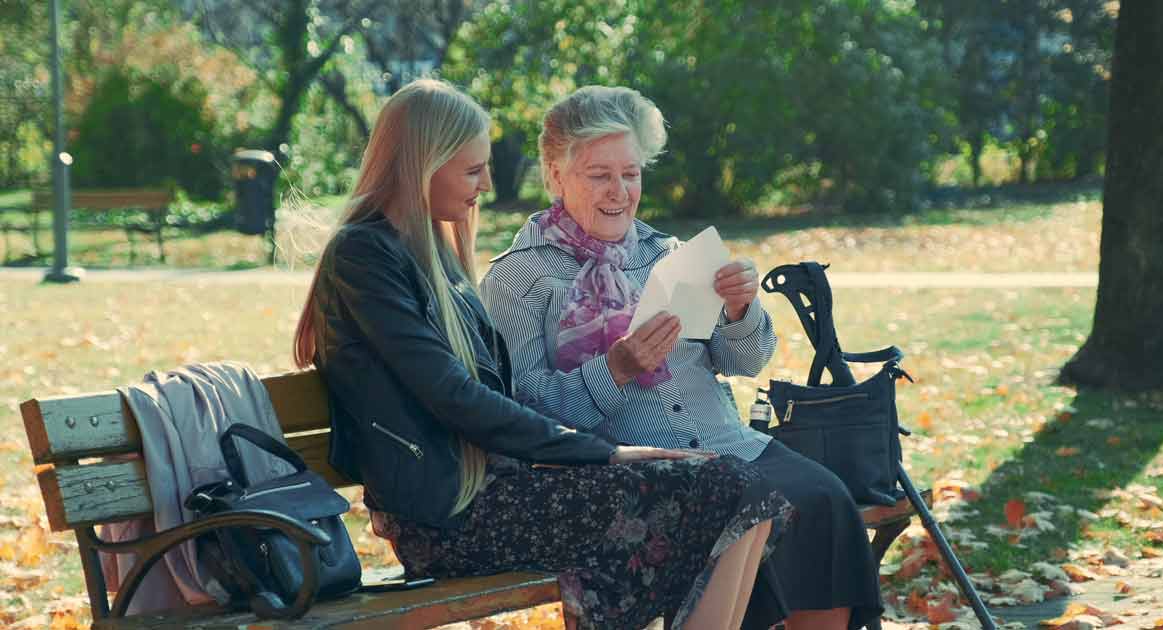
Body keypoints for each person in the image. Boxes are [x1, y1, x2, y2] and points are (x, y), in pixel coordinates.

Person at [291, 78, 793, 630]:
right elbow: (454, 397)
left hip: (499, 486)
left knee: (745, 487)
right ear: (421, 165)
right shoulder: (366, 255)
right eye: (472, 169)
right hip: (447, 513)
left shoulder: (429, 248)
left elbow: (488, 395)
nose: (486, 182)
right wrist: (604, 454)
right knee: (726, 488)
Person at [479, 85, 883, 630]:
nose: (620, 191)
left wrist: (742, 310)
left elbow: (743, 361)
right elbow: (526, 415)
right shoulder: (519, 277)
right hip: (642, 471)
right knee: (746, 512)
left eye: (632, 173)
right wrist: (616, 368)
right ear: (555, 175)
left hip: (729, 446)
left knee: (824, 499)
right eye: (600, 174)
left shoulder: (667, 253)